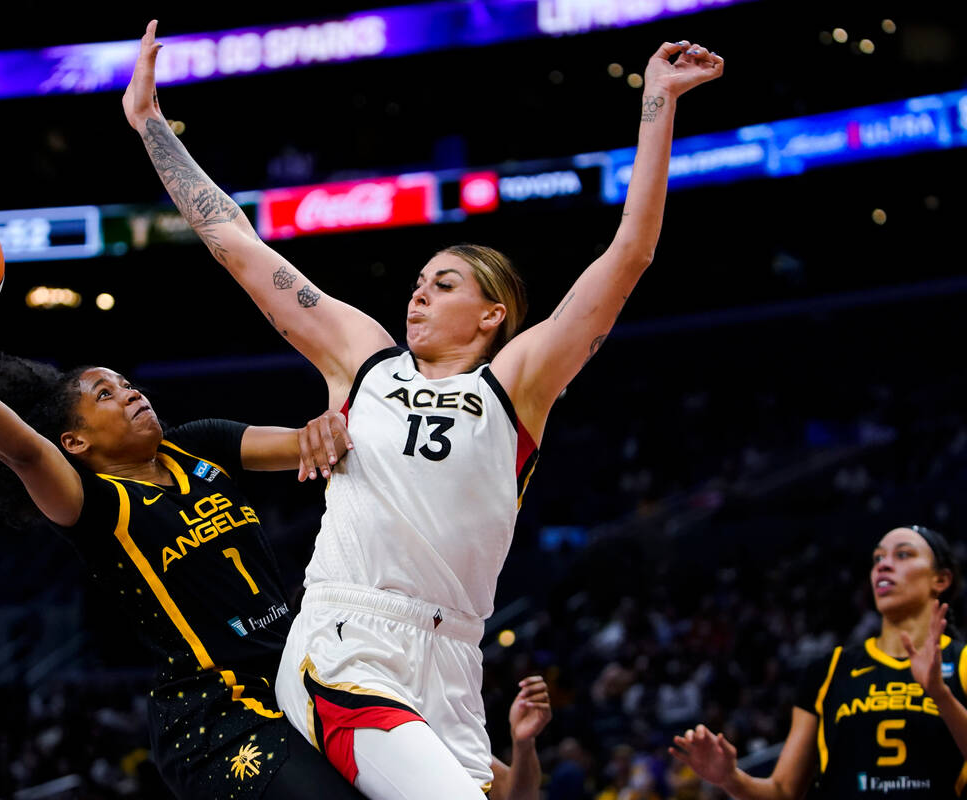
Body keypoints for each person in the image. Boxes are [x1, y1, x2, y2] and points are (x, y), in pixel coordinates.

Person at [123, 18, 723, 797]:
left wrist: (657, 101)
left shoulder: (519, 386)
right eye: (418, 279)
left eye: (444, 284)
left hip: (454, 664)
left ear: (492, 315)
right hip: (348, 643)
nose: (418, 291)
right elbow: (238, 245)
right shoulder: (362, 359)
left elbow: (631, 251)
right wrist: (150, 125)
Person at [0, 262, 366, 799]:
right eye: (104, 395)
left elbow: (313, 446)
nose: (130, 392)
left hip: (301, 674)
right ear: (76, 443)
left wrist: (326, 426)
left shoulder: (199, 445)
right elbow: (23, 451)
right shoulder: (97, 507)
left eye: (126, 383)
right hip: (214, 714)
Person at [669, 525, 967, 798]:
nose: (883, 565)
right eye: (877, 558)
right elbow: (783, 792)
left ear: (940, 579)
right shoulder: (831, 670)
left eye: (903, 554)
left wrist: (940, 694)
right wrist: (730, 778)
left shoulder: (963, 661)